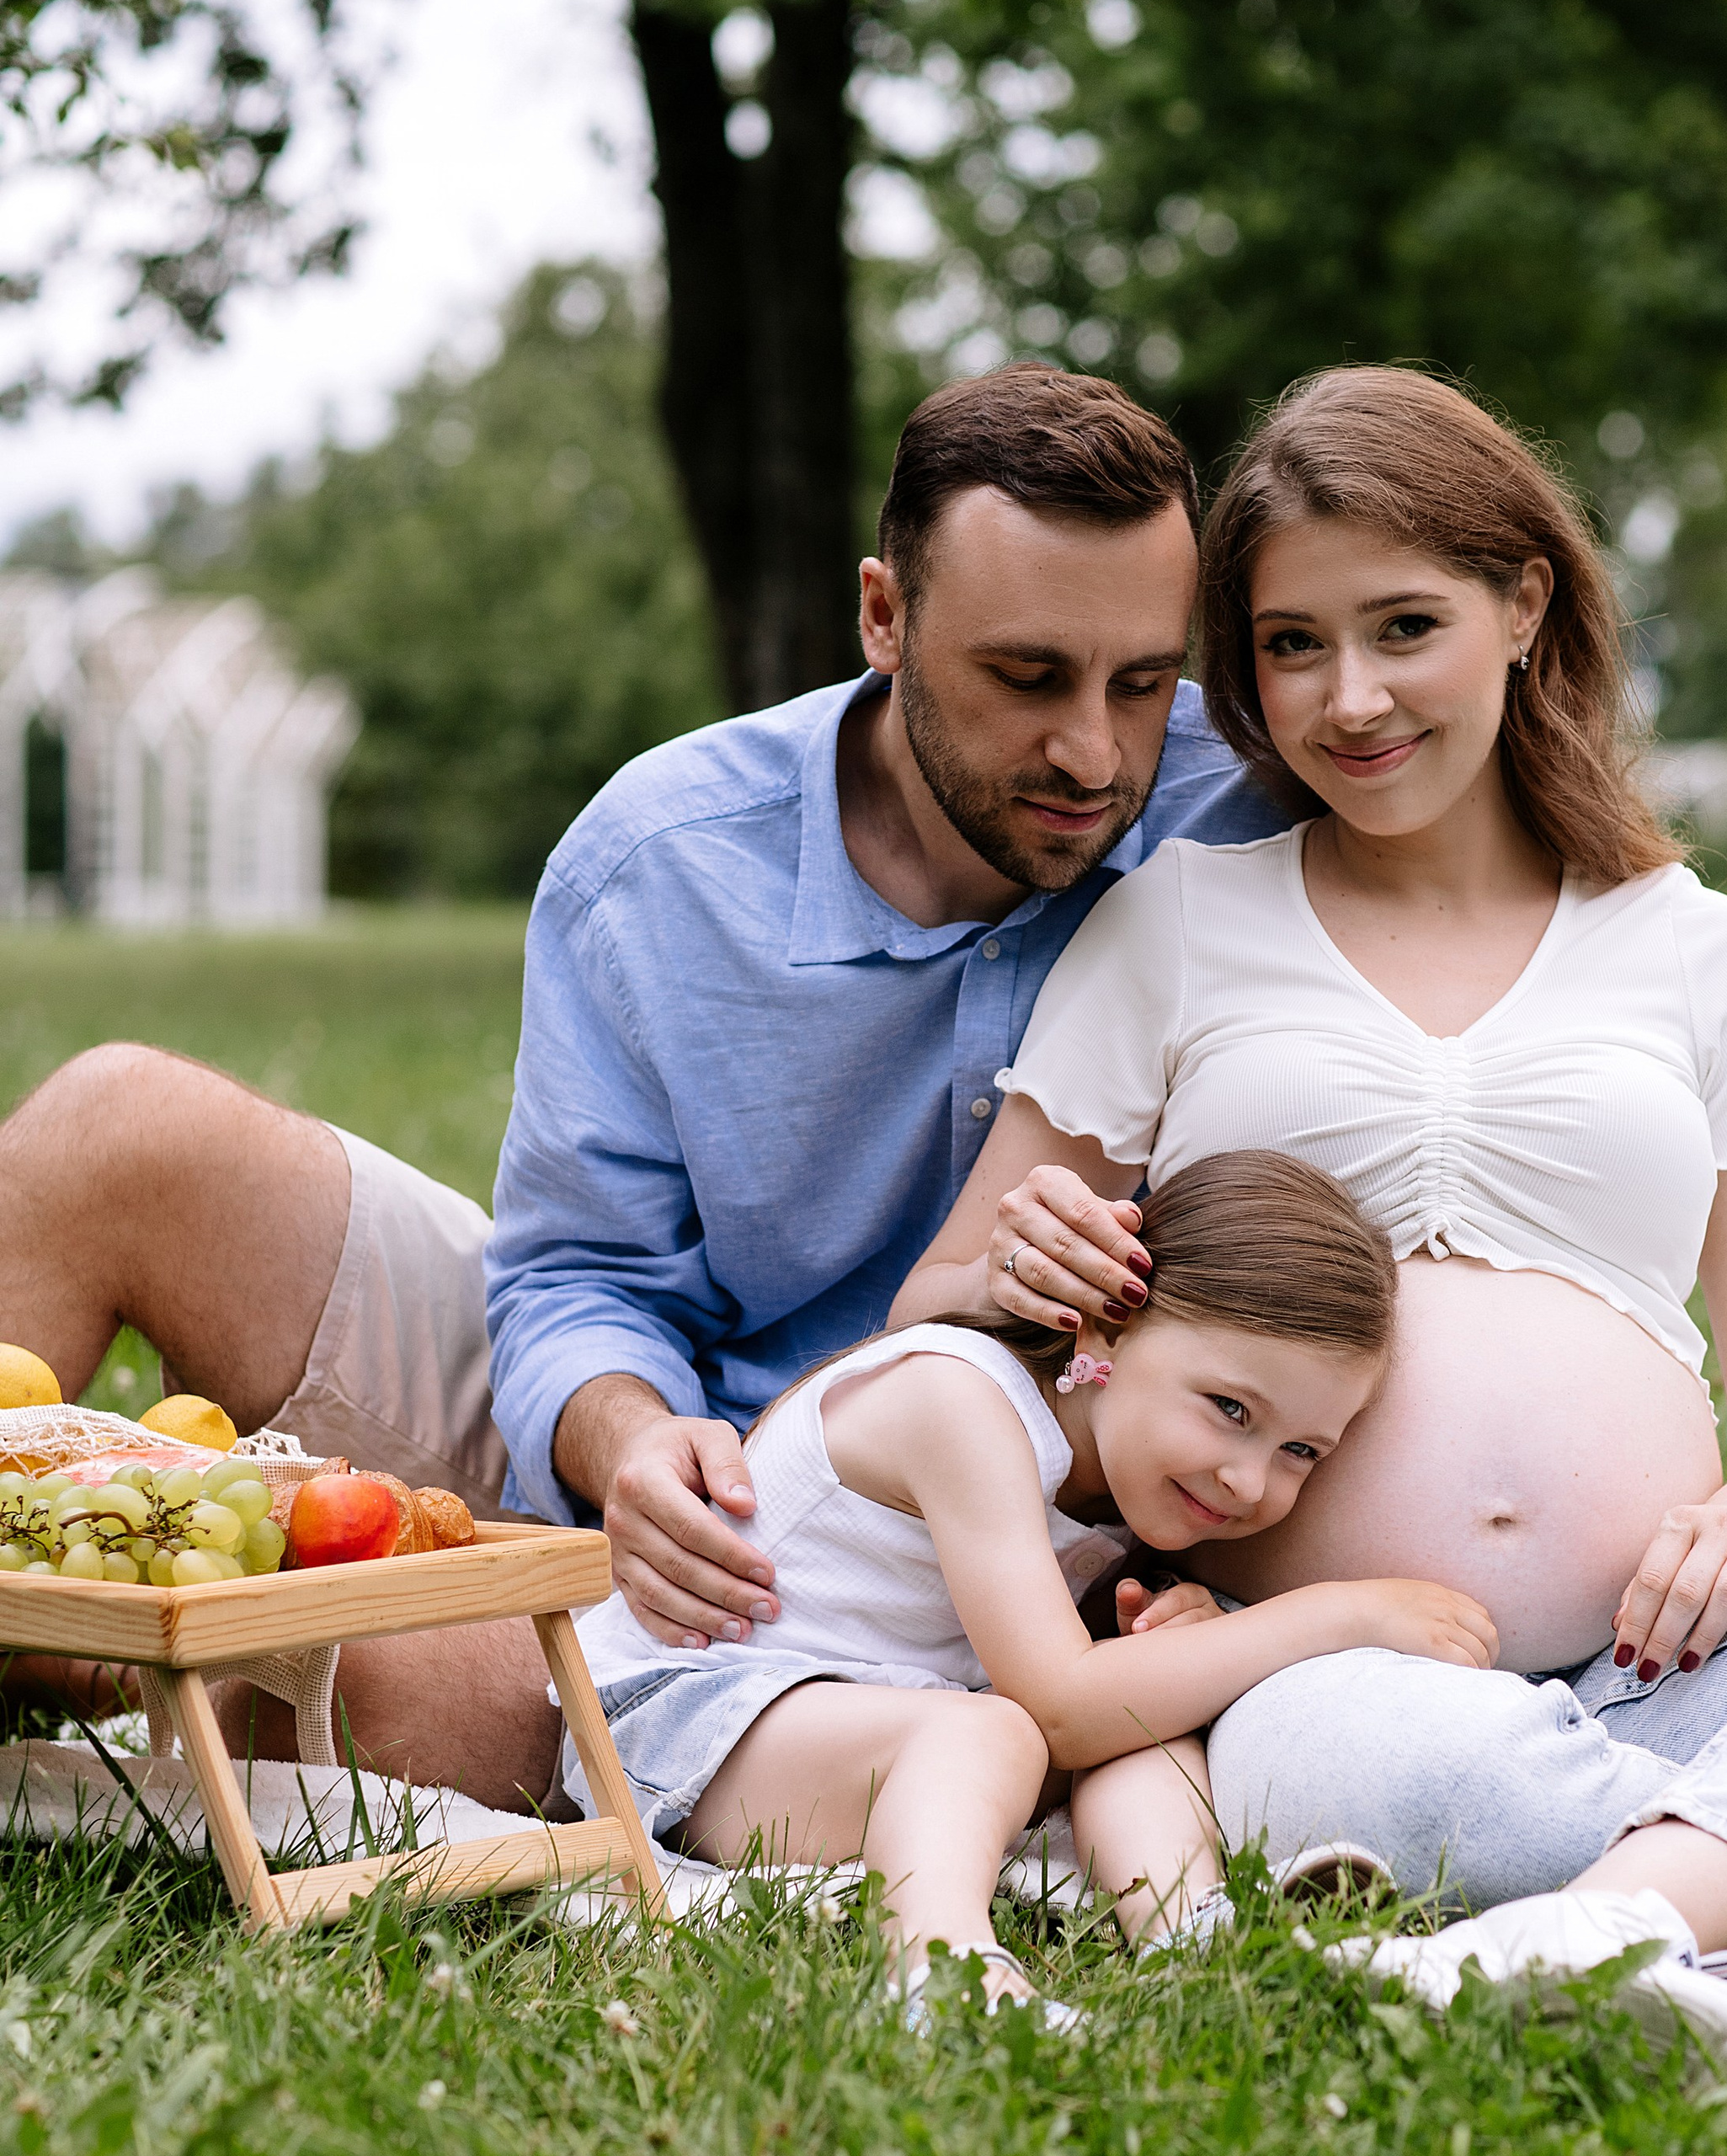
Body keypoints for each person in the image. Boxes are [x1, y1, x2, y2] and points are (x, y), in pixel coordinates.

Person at [895, 366, 1727, 2085]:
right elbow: (935, 1323)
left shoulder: (1695, 950)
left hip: (1677, 1659)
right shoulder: (1177, 922)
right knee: (1426, 1786)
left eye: (1402, 624)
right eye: (1287, 644)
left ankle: (1608, 1907)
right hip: (1340, 1674)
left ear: (1520, 602)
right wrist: (1008, 1278)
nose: (1348, 698)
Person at [0, 364, 1283, 1801]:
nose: (1096, 751)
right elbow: (576, 1280)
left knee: (442, 1714)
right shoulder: (661, 858)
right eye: (1027, 677)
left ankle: (167, 1644)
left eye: (1146, 681)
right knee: (116, 1129)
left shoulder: (1251, 802)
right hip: (647, 1450)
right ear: (885, 619)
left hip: (928, 1563)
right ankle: (127, 1625)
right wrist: (629, 1443)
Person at [568, 1151, 1494, 2017]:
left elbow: (1088, 1704)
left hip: (863, 1726)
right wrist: (1341, 1613)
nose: (1249, 1480)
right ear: (1105, 1324)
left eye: (1299, 1450)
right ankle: (938, 1972)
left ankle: (1190, 1937)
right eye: (1230, 1409)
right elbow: (1058, 1706)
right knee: (1002, 1731)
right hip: (682, 1720)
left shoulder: (1108, 1469)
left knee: (1139, 1723)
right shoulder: (959, 1402)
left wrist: (1185, 1629)